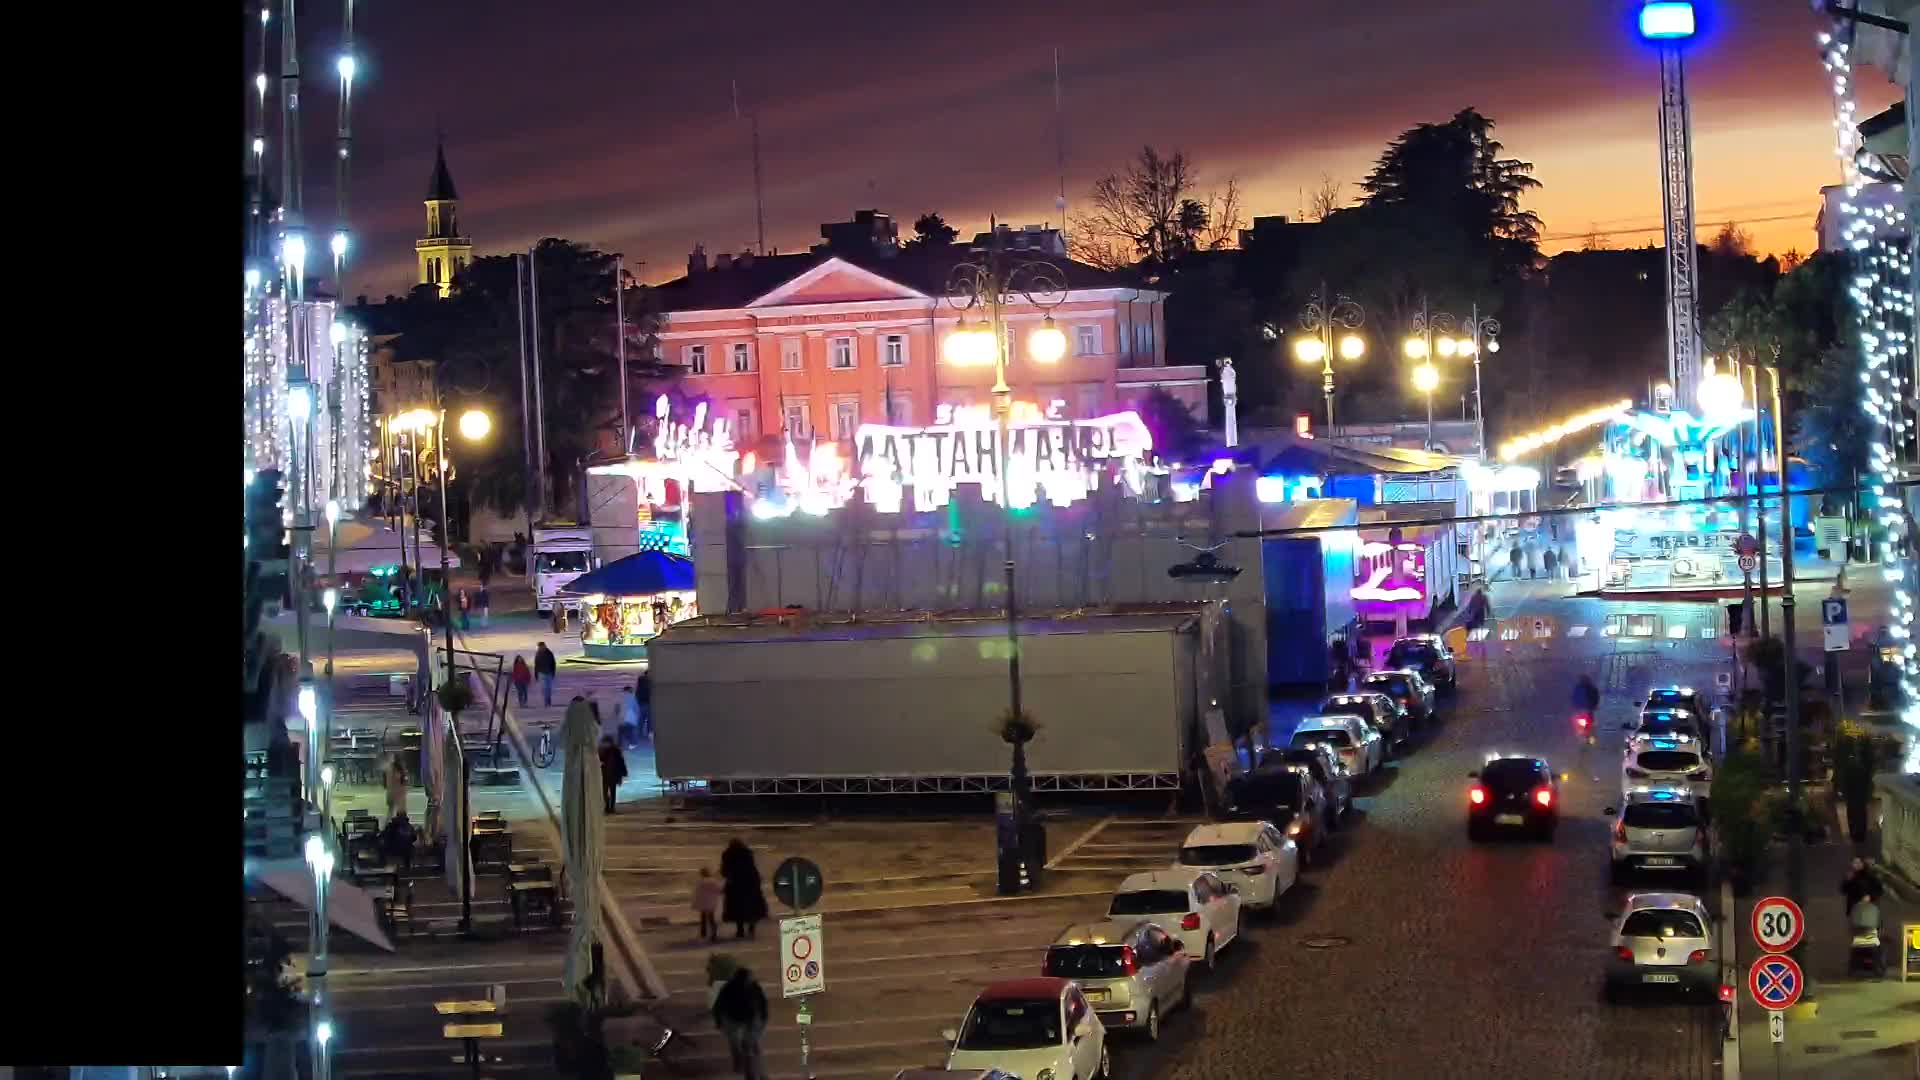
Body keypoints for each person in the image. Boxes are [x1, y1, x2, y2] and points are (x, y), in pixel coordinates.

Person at [711, 966, 768, 1079]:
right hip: (734, 1019)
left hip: (749, 1019)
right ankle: (742, 1063)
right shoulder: (729, 988)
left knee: (751, 1046)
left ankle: (756, 1073)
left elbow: (762, 1002)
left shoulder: (753, 986)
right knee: (737, 1044)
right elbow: (718, 1005)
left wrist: (763, 1018)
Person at [720, 838, 769, 939]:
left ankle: (740, 930)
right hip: (750, 883)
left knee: (737, 908)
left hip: (735, 884)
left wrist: (726, 876)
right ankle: (751, 928)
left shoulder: (728, 854)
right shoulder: (747, 853)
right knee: (751, 907)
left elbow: (724, 870)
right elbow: (752, 867)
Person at [693, 867, 723, 943]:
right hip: (710, 903)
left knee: (703, 919)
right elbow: (719, 890)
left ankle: (703, 933)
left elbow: (697, 893)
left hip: (702, 904)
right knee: (711, 919)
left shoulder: (700, 882)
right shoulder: (713, 881)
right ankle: (714, 934)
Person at [598, 734, 627, 814]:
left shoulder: (615, 751)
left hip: (611, 774)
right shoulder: (601, 751)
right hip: (607, 774)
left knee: (610, 791)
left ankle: (610, 807)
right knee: (607, 792)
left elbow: (620, 762)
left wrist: (623, 772)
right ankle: (608, 806)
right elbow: (621, 762)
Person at [615, 683, 641, 750]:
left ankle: (628, 744)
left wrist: (620, 717)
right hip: (631, 719)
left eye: (623, 691)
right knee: (625, 731)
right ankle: (630, 743)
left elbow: (620, 709)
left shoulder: (624, 698)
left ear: (625, 691)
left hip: (625, 718)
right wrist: (637, 718)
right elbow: (637, 709)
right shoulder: (633, 698)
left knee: (623, 731)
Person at [384, 755, 409, 822]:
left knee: (395, 811)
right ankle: (391, 824)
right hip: (396, 792)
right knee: (395, 811)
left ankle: (391, 824)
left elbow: (403, 781)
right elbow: (401, 780)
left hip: (396, 792)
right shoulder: (393, 768)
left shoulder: (393, 768)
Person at [534, 642, 558, 707]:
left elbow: (553, 663)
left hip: (549, 673)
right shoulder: (538, 654)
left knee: (549, 688)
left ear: (544, 646)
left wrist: (553, 672)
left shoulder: (549, 653)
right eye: (540, 647)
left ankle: (548, 700)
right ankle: (546, 701)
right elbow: (536, 665)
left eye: (542, 646)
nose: (541, 648)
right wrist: (536, 674)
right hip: (541, 673)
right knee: (544, 688)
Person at [634, 671, 653, 740]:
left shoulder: (640, 681)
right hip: (648, 702)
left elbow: (637, 693)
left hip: (642, 703)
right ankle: (648, 733)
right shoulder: (648, 682)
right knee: (649, 719)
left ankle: (639, 734)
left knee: (641, 719)